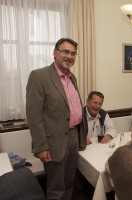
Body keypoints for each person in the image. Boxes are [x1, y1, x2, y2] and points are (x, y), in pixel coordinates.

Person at [26, 38, 86, 199]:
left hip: (73, 137)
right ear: (55, 53)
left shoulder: (72, 78)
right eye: (65, 51)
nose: (69, 56)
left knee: (69, 183)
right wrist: (41, 146)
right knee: (56, 188)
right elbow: (34, 115)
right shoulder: (39, 76)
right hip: (53, 143)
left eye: (73, 53)